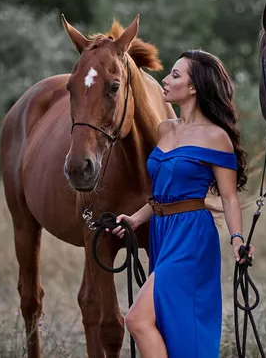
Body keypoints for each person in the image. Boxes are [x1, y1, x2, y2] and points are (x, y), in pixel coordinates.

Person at [108, 49, 253, 357]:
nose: (166, 79)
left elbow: (228, 197)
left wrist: (237, 240)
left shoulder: (216, 137)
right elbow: (161, 193)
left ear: (194, 87)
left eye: (175, 75)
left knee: (137, 319)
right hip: (163, 232)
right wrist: (135, 219)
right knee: (168, 324)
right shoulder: (165, 129)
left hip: (192, 237)